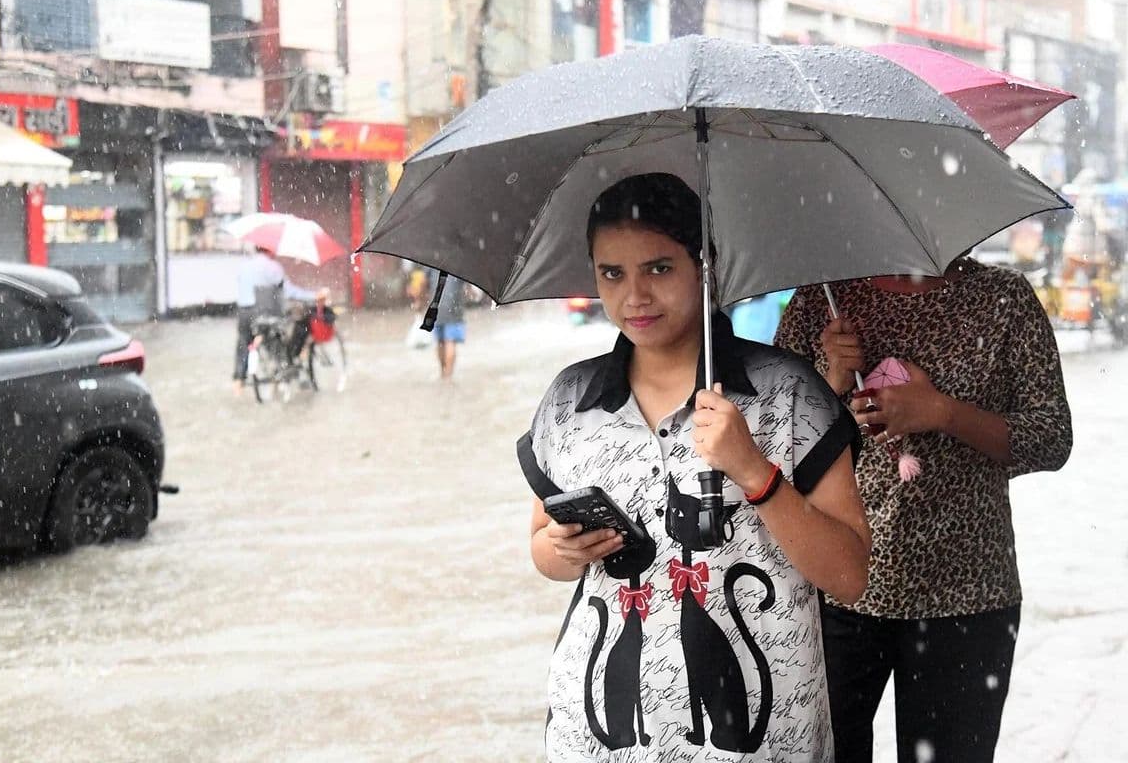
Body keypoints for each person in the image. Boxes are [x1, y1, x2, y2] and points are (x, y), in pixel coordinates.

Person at [520, 173, 871, 762]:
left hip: (763, 738)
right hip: (604, 738)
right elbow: (541, 551)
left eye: (658, 268)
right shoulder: (568, 401)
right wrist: (564, 550)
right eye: (613, 273)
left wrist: (754, 472)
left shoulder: (788, 395)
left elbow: (849, 575)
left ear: (704, 265)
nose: (634, 296)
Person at [773, 257, 1073, 763]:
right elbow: (774, 441)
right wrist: (835, 379)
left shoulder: (1004, 298)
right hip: (837, 587)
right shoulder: (821, 299)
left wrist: (941, 412)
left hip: (967, 595)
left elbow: (1050, 438)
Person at [232, 242, 285, 396]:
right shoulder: (274, 267)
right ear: (270, 249)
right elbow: (285, 291)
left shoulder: (244, 266)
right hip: (262, 312)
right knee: (273, 338)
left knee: (243, 343)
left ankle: (238, 382)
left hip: (243, 311)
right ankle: (277, 372)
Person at [428, 269, 466, 379]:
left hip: (436, 305)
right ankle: (449, 375)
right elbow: (469, 285)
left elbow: (424, 283)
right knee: (450, 341)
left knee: (440, 341)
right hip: (453, 306)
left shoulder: (432, 260)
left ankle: (442, 371)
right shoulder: (459, 261)